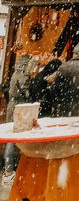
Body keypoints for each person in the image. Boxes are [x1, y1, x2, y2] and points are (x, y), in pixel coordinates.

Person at [2, 48, 33, 185]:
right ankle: (10, 170)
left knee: (12, 138)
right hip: (20, 108)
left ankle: (9, 169)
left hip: (12, 106)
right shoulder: (24, 76)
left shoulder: (15, 74)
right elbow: (26, 93)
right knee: (17, 138)